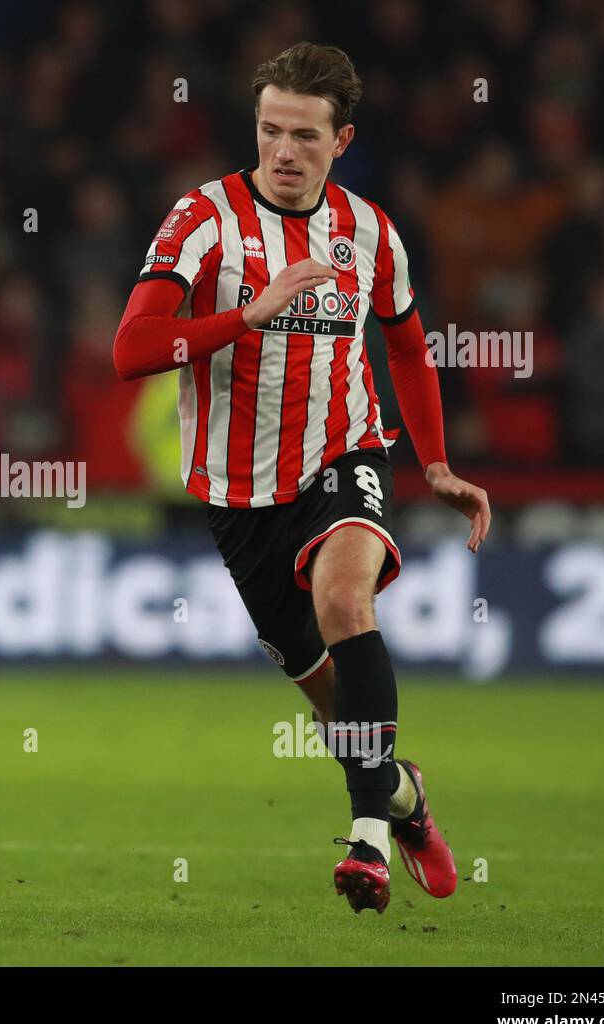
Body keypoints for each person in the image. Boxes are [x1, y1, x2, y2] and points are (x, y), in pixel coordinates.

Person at [113, 43, 490, 914]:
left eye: (304, 136)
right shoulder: (201, 219)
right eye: (269, 131)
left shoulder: (370, 231)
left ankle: (364, 841)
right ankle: (401, 795)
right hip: (237, 497)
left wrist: (432, 460)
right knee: (337, 710)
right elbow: (132, 349)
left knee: (347, 603)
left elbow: (403, 339)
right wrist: (248, 312)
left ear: (341, 138)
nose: (284, 151)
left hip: (344, 455)